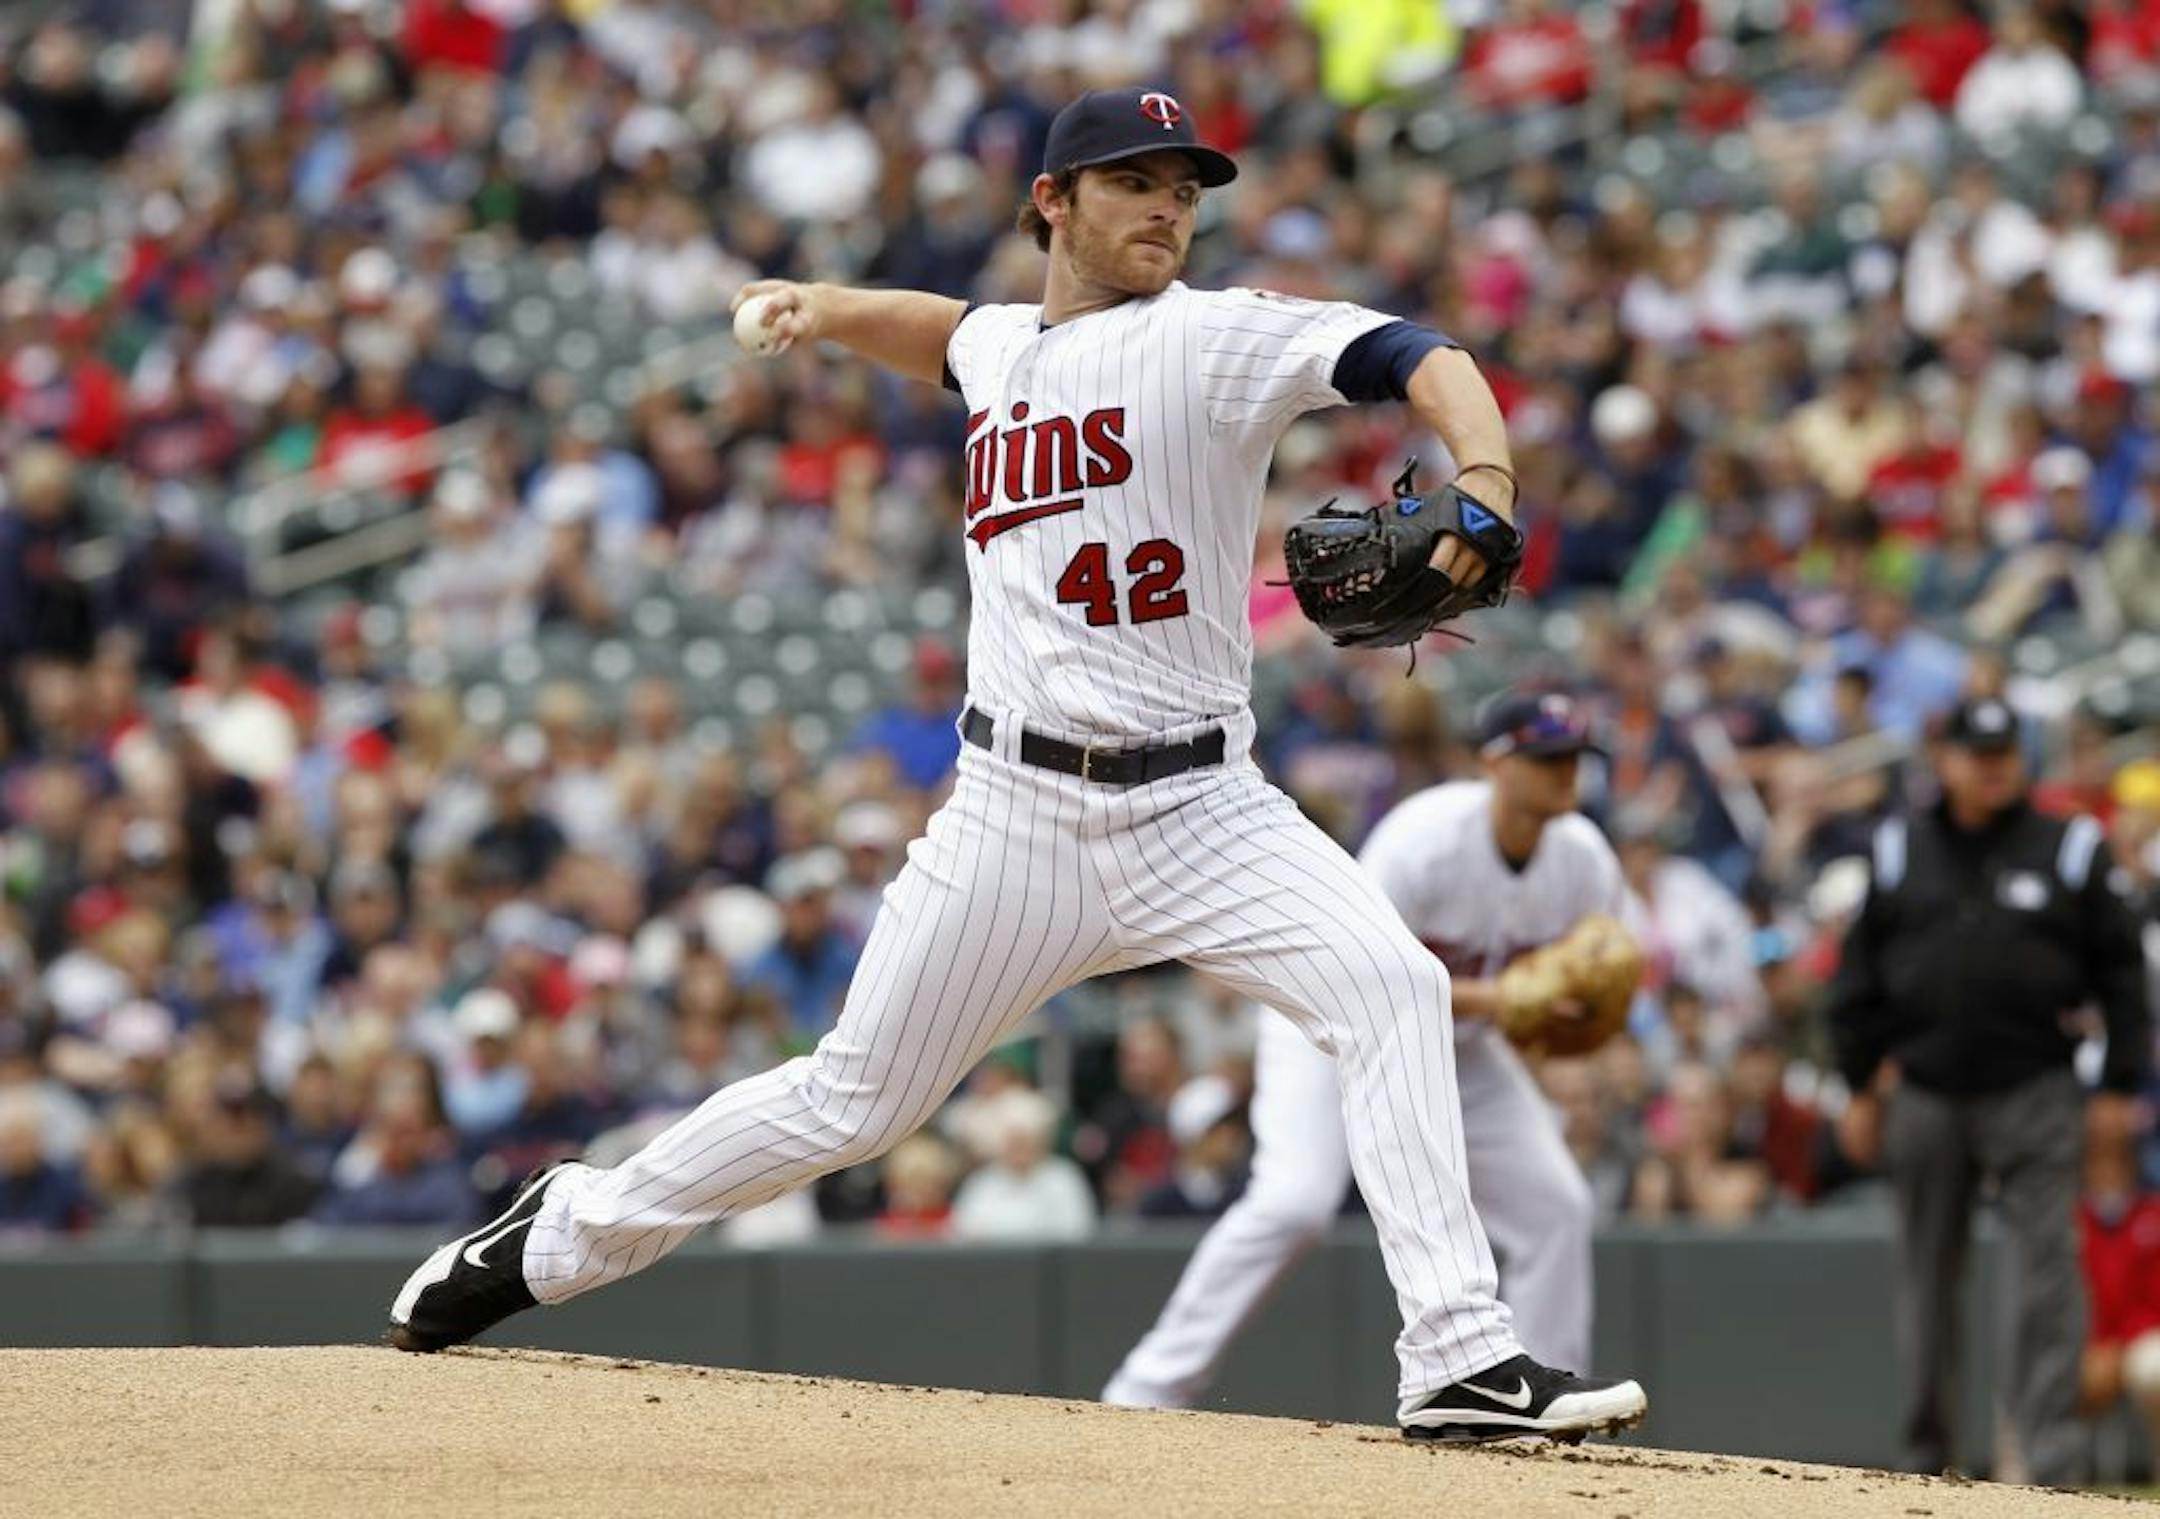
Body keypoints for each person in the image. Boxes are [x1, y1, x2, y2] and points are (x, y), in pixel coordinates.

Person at [386, 87, 1646, 1444]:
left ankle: (1457, 1354)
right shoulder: (1003, 347)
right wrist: (819, 298)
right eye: (1134, 181)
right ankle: (564, 1230)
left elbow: (1417, 349)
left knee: (1391, 984)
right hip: (1015, 816)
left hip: (1203, 804)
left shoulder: (1213, 337)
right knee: (851, 1101)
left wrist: (1491, 472)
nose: (1169, 206)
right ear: (1052, 200)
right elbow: (943, 334)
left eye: (1184, 187)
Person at [1104, 691, 1623, 1409]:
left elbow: (1592, 982)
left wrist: (1559, 1033)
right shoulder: (1424, 839)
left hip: (1459, 1052)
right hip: (1327, 1024)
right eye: (1546, 757)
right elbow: (1360, 971)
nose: (1565, 772)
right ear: (1492, 764)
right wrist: (1504, 1000)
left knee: (1556, 1205)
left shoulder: (1585, 861)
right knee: (1294, 1202)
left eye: (1573, 757)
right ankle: (1147, 1387)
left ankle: (1547, 1399)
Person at [1831, 697, 2151, 1486]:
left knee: (2048, 1279)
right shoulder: (1902, 844)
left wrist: (2115, 1085)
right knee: (1926, 1278)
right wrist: (1858, 1084)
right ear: (1945, 760)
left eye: (2004, 749)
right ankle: (1924, 1458)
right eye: (1978, 752)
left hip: (2036, 1084)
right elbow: (1859, 973)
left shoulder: (2070, 843)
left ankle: (2049, 1470)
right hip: (1926, 1088)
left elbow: (2122, 971)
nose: (1994, 763)